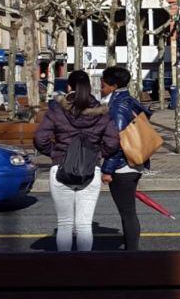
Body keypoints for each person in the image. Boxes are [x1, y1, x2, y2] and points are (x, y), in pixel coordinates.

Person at [33, 70, 120, 251]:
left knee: (64, 223)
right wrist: (96, 154)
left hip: (61, 169)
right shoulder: (101, 113)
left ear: (69, 87)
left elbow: (40, 139)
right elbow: (113, 142)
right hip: (90, 170)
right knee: (84, 225)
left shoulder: (56, 110)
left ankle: (65, 268)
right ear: (89, 87)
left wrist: (56, 153)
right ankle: (84, 269)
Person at [100, 66, 152, 251]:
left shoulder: (117, 105)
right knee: (128, 212)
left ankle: (132, 254)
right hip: (134, 163)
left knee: (127, 213)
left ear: (114, 85)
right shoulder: (129, 100)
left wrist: (107, 169)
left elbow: (117, 139)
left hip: (123, 167)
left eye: (103, 83)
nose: (100, 87)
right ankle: (132, 251)